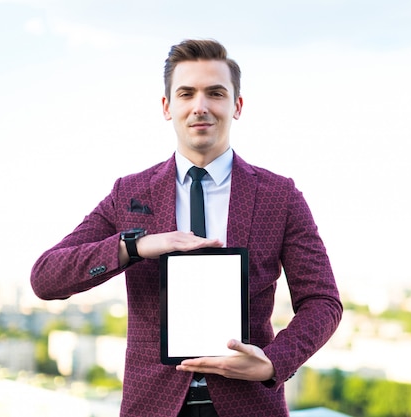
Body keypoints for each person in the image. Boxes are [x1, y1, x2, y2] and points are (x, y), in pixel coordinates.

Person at [30, 39, 342, 417]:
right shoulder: (129, 193)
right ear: (167, 107)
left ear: (236, 105)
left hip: (250, 404)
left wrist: (274, 362)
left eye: (215, 93)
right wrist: (136, 245)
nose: (201, 106)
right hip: (152, 405)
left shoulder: (280, 196)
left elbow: (323, 301)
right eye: (186, 93)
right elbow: (46, 278)